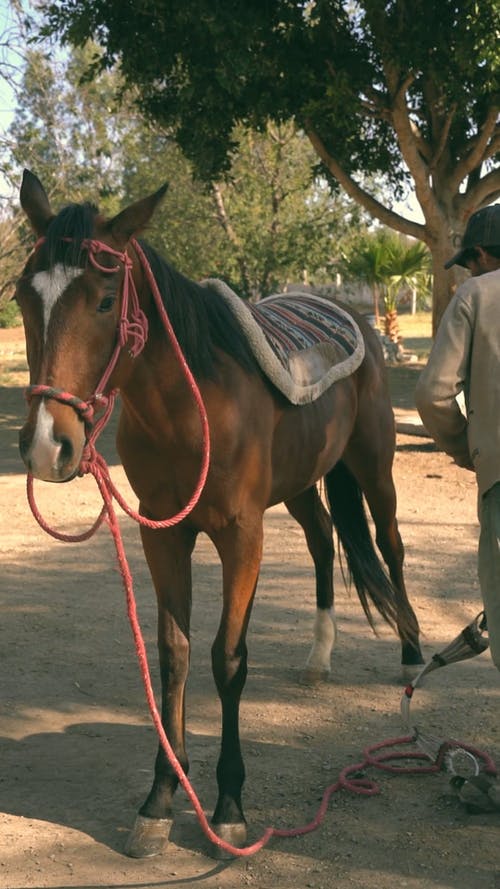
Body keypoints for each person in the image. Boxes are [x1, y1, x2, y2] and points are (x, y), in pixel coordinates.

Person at [415, 203, 500, 675]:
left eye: (469, 261)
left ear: (483, 255)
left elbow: (432, 395)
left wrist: (467, 448)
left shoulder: (475, 296)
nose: (468, 270)